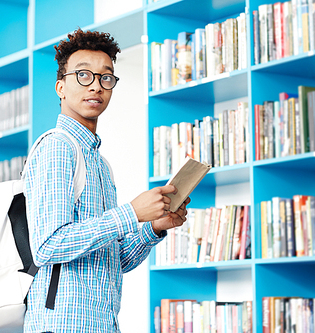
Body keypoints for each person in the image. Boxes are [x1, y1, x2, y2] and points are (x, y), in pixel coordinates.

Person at [23, 28, 190, 333]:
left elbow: (112, 261)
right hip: (62, 326)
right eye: (83, 76)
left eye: (106, 78)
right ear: (61, 87)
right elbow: (48, 246)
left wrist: (152, 228)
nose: (96, 86)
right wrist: (131, 213)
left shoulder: (100, 165)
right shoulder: (57, 147)